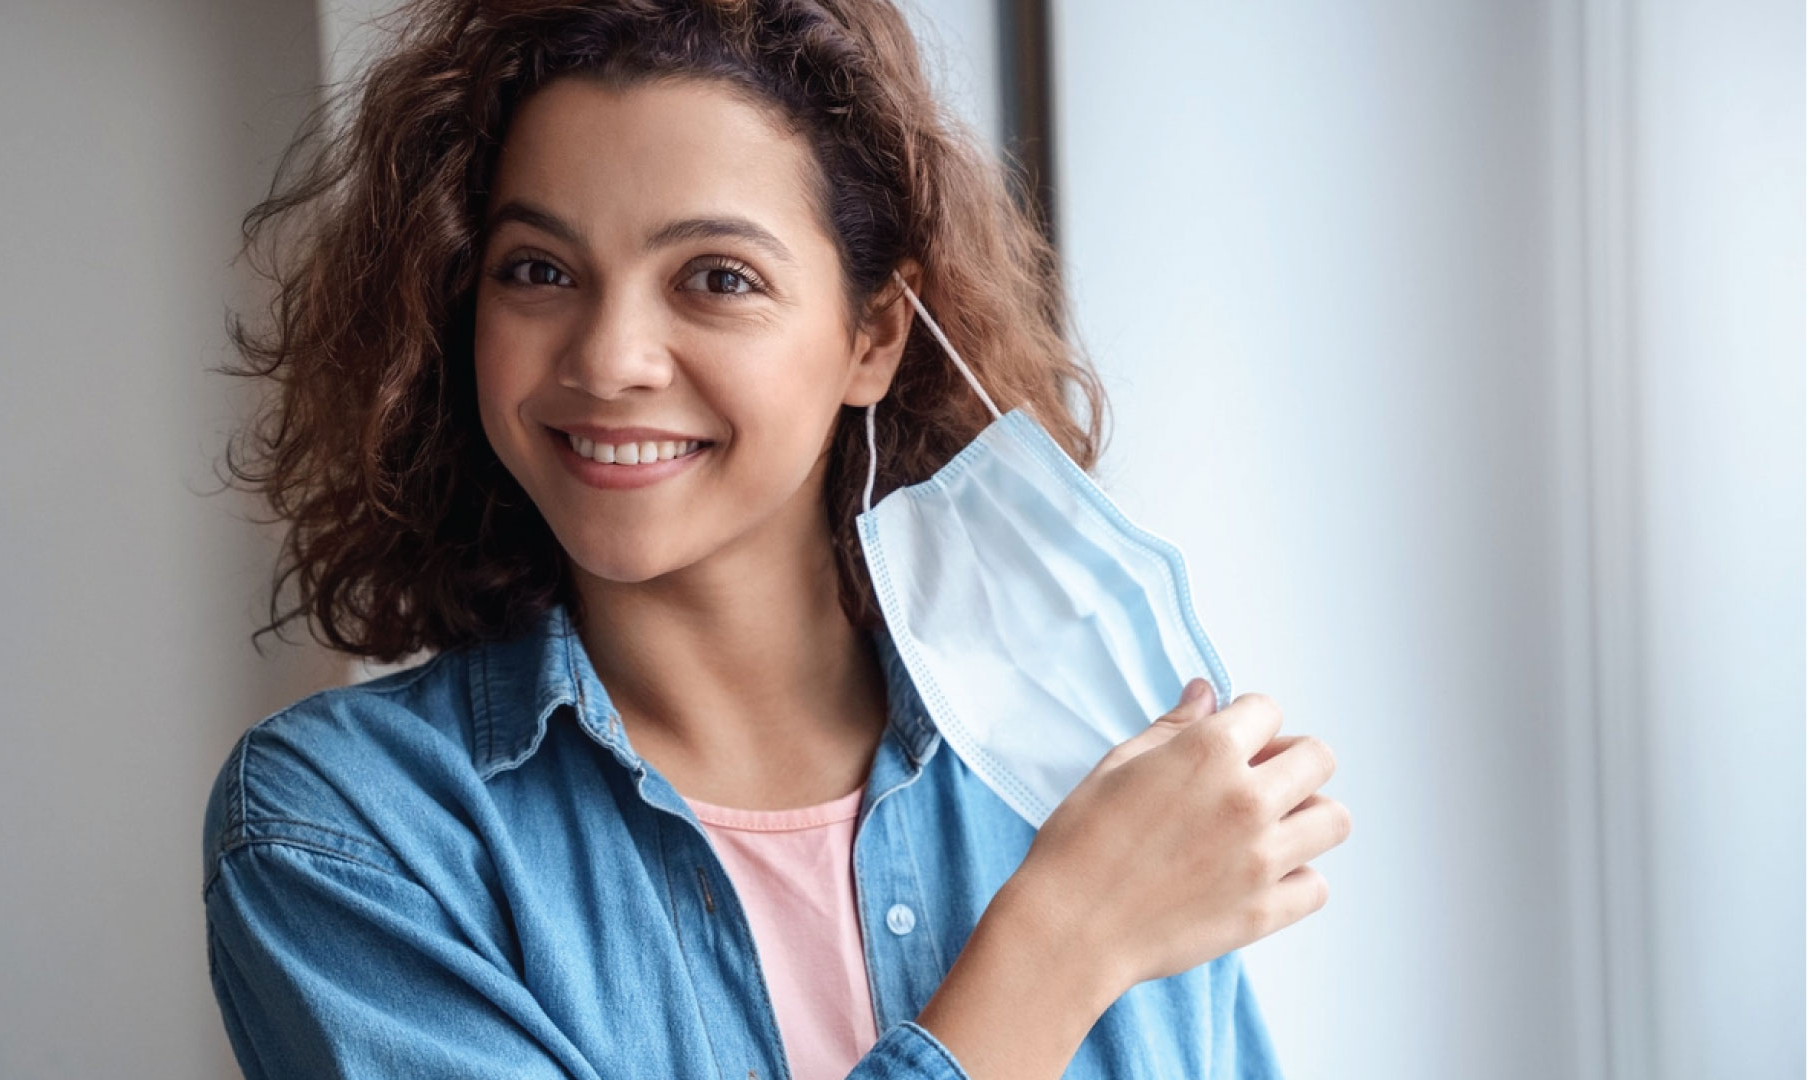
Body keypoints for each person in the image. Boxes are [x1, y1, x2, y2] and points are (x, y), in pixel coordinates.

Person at [202, 1, 1351, 1077]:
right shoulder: (343, 831)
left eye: (715, 277)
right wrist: (1064, 941)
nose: (609, 359)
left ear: (875, 337)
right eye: (538, 271)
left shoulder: (1094, 756)